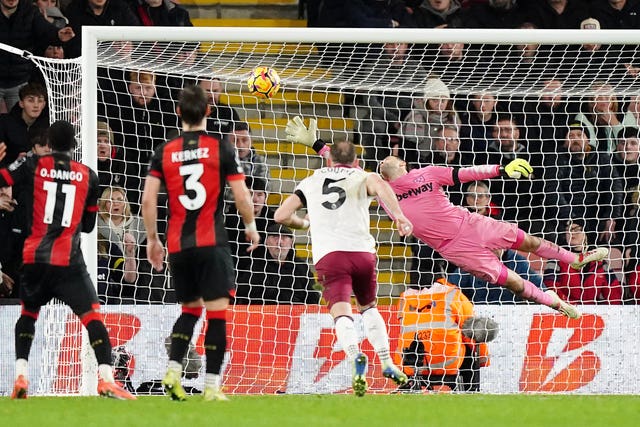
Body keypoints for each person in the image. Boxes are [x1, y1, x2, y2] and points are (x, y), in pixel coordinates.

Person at [285, 115, 611, 320]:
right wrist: (314, 143)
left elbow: (467, 174)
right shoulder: (379, 187)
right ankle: (553, 302)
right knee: (508, 281)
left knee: (526, 240)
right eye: (381, 158)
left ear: (403, 165)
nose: (384, 159)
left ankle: (575, 258)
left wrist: (502, 169)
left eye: (390, 157)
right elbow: (343, 165)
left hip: (469, 223)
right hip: (452, 247)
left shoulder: (429, 173)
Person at [0, 120, 135, 399]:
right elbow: (87, 227)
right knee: (93, 317)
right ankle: (107, 379)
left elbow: (4, 179)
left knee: (28, 315)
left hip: (35, 258)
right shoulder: (89, 175)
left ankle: (21, 375)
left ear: (49, 143)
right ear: (74, 145)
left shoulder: (33, 165)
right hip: (68, 261)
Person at [142, 85, 260, 401]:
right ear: (209, 111)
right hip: (212, 242)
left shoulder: (164, 151)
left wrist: (153, 240)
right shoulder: (221, 148)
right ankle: (210, 387)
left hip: (179, 245)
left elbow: (148, 201)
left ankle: (173, 370)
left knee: (190, 310)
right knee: (217, 314)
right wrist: (250, 227)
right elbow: (241, 195)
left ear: (178, 112)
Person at [274, 138, 413, 396]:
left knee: (341, 313)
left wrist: (304, 224)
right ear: (355, 161)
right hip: (362, 253)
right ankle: (387, 362)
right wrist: (400, 216)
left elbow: (280, 215)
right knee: (369, 308)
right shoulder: (363, 175)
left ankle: (355, 357)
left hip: (330, 255)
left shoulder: (311, 181)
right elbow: (382, 188)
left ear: (330, 159)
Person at [393, 277, 496, 393]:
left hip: (410, 364)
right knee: (468, 341)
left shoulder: (404, 297)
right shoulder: (453, 294)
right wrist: (483, 359)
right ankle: (470, 393)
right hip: (448, 363)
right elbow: (472, 330)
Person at [544, 219, 623, 304]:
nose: (572, 233)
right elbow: (550, 286)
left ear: (586, 234)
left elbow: (614, 292)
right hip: (564, 311)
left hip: (592, 312)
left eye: (577, 229)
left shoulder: (600, 263)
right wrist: (568, 305)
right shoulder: (556, 259)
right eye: (568, 230)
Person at [237, 223, 320, 304]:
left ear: (291, 243)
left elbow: (313, 298)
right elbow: (245, 297)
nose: (279, 242)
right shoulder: (254, 268)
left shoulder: (302, 268)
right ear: (266, 242)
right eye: (275, 237)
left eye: (284, 237)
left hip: (296, 315)